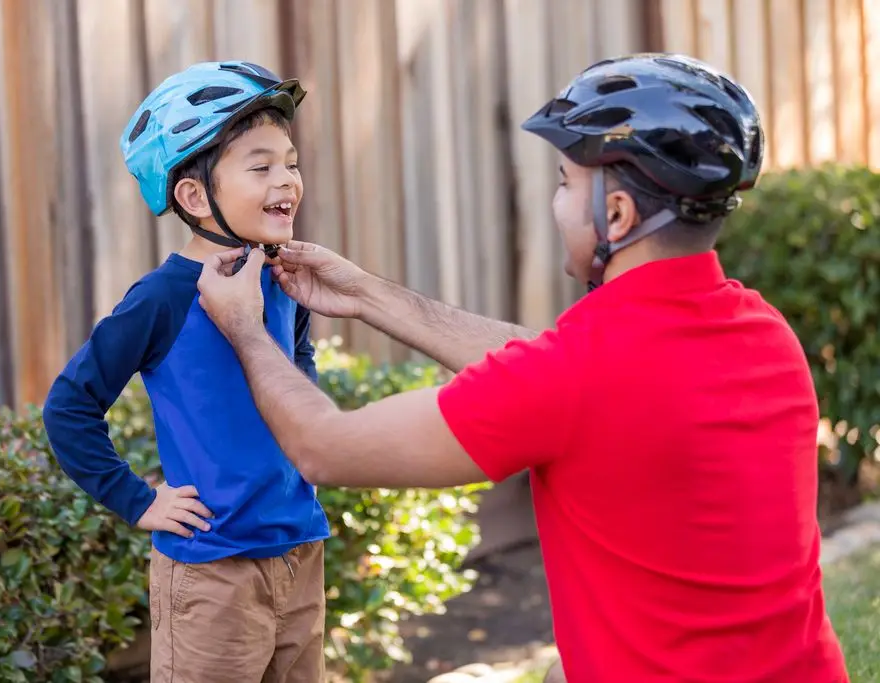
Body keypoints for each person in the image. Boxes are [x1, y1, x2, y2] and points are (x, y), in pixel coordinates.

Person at [195, 54, 850, 682]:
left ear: (616, 215)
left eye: (567, 184)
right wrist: (367, 295)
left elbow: (325, 448)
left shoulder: (578, 376)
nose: (558, 203)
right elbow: (558, 379)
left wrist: (248, 330)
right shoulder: (763, 334)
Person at [42, 60, 330, 683]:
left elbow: (300, 362)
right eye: (261, 166)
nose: (287, 179)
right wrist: (138, 500)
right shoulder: (163, 298)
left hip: (300, 552)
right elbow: (69, 406)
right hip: (212, 573)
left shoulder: (281, 277)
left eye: (291, 162)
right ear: (195, 196)